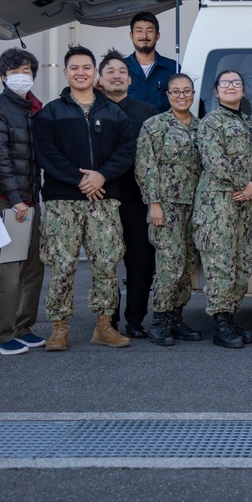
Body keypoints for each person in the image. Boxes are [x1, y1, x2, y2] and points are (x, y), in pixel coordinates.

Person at [34, 45, 136, 351]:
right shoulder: (50, 113)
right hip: (62, 201)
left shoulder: (114, 112)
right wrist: (80, 179)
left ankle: (104, 326)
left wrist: (102, 175)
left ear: (96, 75)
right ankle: (58, 327)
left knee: (106, 263)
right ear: (65, 73)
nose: (81, 72)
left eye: (87, 67)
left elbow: (126, 150)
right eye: (74, 68)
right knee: (62, 264)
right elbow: (46, 153)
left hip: (104, 201)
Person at [195, 70, 252, 348]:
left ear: (243, 91)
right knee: (220, 265)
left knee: (241, 264)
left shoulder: (251, 125)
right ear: (216, 91)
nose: (231, 87)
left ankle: (231, 317)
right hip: (218, 207)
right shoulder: (211, 122)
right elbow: (214, 161)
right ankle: (220, 325)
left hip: (245, 208)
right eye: (225, 83)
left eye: (236, 83)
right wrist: (244, 184)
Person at [0, 49, 45, 356]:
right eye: (16, 70)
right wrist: (18, 200)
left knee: (33, 267)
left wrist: (30, 199)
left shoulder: (33, 108)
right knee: (7, 269)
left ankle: (23, 326)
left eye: (27, 70)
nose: (23, 75)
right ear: (4, 76)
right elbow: (1, 159)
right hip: (9, 201)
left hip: (31, 200)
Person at [135, 73, 203, 346]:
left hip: (196, 206)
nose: (182, 96)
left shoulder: (202, 127)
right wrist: (154, 204)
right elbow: (145, 167)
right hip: (167, 206)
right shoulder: (155, 126)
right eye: (176, 92)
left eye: (187, 91)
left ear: (193, 93)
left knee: (188, 264)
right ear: (168, 95)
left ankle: (177, 317)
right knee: (169, 264)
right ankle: (160, 319)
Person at [98, 50, 158, 338]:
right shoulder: (92, 109)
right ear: (101, 79)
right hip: (101, 197)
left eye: (122, 71)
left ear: (130, 78)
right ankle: (107, 322)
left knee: (140, 262)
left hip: (137, 198)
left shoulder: (146, 111)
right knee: (104, 263)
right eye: (110, 71)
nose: (117, 75)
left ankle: (135, 319)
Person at [124, 11, 179, 112]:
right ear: (131, 35)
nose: (144, 36)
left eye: (149, 31)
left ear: (157, 35)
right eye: (139, 31)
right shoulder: (121, 68)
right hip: (128, 127)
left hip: (161, 127)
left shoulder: (173, 68)